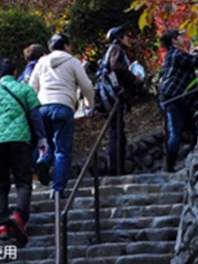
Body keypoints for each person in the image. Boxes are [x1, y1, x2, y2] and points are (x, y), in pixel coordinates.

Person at [0, 56, 48, 247]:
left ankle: (2, 227)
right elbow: (35, 115)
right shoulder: (25, 89)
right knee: (23, 182)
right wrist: (42, 139)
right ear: (15, 72)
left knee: (0, 186)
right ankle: (19, 216)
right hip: (20, 141)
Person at [28, 32, 94, 198]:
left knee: (48, 145)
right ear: (65, 46)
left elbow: (32, 87)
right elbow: (86, 86)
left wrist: (34, 108)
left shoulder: (41, 63)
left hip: (43, 108)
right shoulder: (73, 62)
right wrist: (90, 104)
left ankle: (42, 162)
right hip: (63, 107)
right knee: (63, 151)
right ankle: (57, 189)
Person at [158, 29, 198, 173]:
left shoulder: (171, 55)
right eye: (180, 36)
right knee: (176, 132)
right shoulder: (175, 53)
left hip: (171, 97)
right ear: (173, 40)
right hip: (173, 98)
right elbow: (195, 62)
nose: (183, 38)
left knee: (188, 127)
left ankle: (189, 158)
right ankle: (169, 167)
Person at [103, 26, 141, 175]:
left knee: (117, 133)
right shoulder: (116, 50)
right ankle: (114, 169)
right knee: (115, 133)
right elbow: (118, 68)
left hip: (109, 97)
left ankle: (117, 167)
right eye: (125, 36)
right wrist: (134, 79)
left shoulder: (111, 50)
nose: (128, 39)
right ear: (119, 37)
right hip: (114, 98)